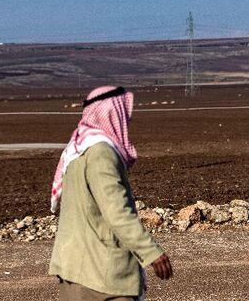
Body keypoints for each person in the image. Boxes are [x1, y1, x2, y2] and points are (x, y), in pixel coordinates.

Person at [49, 85, 173, 301]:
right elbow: (117, 212)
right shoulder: (101, 154)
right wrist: (151, 252)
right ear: (112, 113)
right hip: (101, 274)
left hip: (73, 268)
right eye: (124, 113)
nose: (127, 120)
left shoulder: (77, 151)